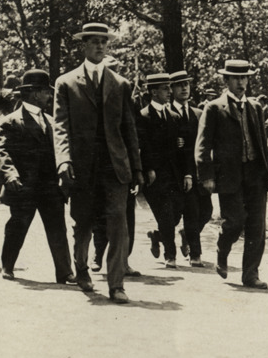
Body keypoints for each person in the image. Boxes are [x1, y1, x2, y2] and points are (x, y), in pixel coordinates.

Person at [53, 23, 144, 304]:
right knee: (83, 223)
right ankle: (81, 269)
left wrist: (136, 168)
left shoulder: (121, 84)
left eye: (103, 42)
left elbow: (129, 129)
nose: (100, 46)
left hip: (114, 166)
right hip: (81, 167)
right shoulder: (66, 83)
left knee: (118, 223)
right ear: (84, 45)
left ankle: (116, 284)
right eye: (94, 41)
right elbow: (60, 126)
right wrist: (63, 160)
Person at [195, 59, 268, 289]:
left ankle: (250, 275)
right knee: (235, 221)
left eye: (244, 77)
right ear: (226, 80)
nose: (241, 82)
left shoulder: (255, 107)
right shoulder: (214, 108)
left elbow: (262, 143)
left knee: (257, 226)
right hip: (229, 175)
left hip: (255, 174)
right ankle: (223, 247)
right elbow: (203, 145)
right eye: (236, 78)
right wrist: (206, 175)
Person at [0, 69, 74, 284]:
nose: (50, 96)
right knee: (17, 227)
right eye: (47, 92)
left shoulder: (52, 122)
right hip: (23, 187)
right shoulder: (11, 121)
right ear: (35, 93)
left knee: (58, 229)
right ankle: (7, 266)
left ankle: (65, 272)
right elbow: (2, 151)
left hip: (50, 187)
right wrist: (10, 175)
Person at [139, 72, 186, 269]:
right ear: (153, 92)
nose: (169, 92)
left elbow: (179, 147)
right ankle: (170, 255)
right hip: (155, 176)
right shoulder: (143, 116)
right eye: (165, 89)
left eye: (169, 88)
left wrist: (180, 143)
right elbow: (143, 146)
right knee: (166, 215)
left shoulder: (174, 117)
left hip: (173, 176)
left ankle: (157, 235)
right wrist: (149, 168)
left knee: (176, 213)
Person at [171, 70, 214, 266]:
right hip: (176, 173)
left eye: (186, 84)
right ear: (172, 89)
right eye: (179, 85)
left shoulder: (198, 113)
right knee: (190, 212)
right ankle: (195, 255)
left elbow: (205, 143)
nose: (184, 88)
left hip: (197, 171)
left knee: (206, 211)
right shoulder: (166, 113)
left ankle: (181, 235)